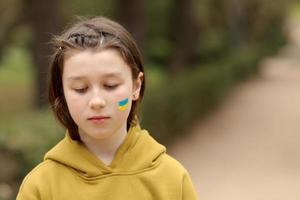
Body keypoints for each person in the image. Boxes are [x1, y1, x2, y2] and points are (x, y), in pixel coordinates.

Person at [16, 16, 198, 200]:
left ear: (136, 86)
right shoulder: (41, 186)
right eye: (81, 88)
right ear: (62, 93)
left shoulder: (172, 179)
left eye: (110, 85)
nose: (96, 101)